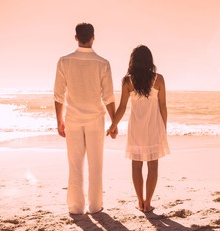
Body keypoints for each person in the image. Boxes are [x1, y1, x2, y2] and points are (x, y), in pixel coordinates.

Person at [54, 23, 117, 215]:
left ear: (76, 37)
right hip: (95, 120)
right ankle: (95, 206)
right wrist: (114, 123)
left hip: (72, 119)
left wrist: (59, 121)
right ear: (93, 37)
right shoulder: (102, 63)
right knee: (95, 164)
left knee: (75, 165)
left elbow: (58, 95)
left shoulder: (64, 61)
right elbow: (108, 96)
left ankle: (76, 207)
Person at [107, 45, 170, 213]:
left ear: (133, 61)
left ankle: (140, 202)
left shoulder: (128, 81)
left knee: (136, 165)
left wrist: (113, 125)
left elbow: (121, 107)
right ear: (150, 60)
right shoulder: (159, 79)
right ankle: (148, 203)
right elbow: (163, 107)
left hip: (136, 128)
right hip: (154, 127)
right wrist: (164, 128)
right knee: (153, 166)